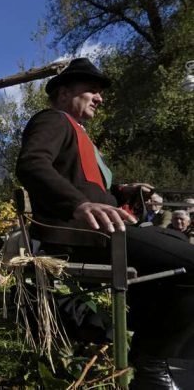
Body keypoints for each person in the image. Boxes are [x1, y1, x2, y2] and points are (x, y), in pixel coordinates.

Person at [16, 57, 194, 388]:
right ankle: (153, 366)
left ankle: (161, 359)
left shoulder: (80, 134)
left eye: (101, 92)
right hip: (82, 235)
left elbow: (96, 188)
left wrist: (124, 189)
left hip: (104, 231)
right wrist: (77, 204)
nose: (100, 98)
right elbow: (31, 164)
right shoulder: (53, 119)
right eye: (92, 90)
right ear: (65, 91)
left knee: (182, 249)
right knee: (190, 263)